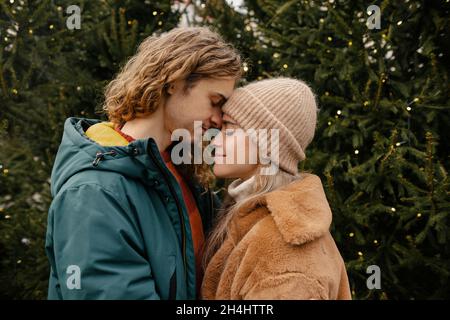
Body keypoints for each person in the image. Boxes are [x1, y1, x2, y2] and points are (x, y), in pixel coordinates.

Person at [45, 27, 241, 299]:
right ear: (175, 80)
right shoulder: (94, 192)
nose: (219, 119)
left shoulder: (180, 172)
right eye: (215, 102)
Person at [201, 78, 352, 299]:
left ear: (268, 143)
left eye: (230, 128)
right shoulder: (245, 213)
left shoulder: (287, 257)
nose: (215, 142)